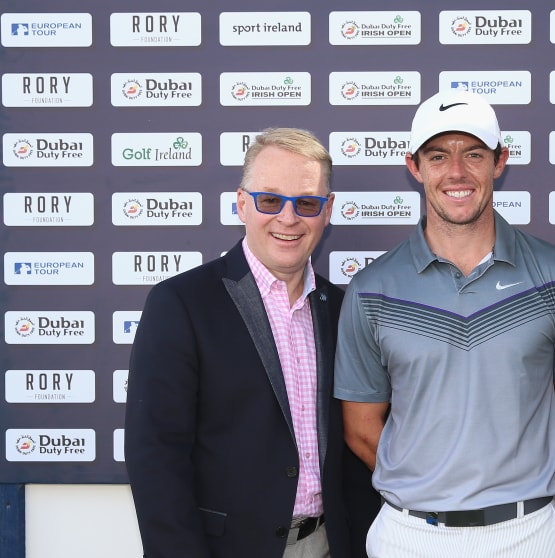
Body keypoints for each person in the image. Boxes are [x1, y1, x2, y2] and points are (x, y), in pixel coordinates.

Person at [333, 90, 555, 558]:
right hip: (409, 536)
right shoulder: (372, 288)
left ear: (500, 162)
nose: (456, 172)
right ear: (414, 167)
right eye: (438, 156)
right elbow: (360, 427)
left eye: (473, 153)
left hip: (526, 535)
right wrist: (430, 486)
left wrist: (519, 485)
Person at [125, 127, 379, 558]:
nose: (288, 217)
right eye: (269, 200)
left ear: (327, 210)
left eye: (306, 203)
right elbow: (156, 458)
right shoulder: (181, 303)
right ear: (242, 203)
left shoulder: (342, 309)